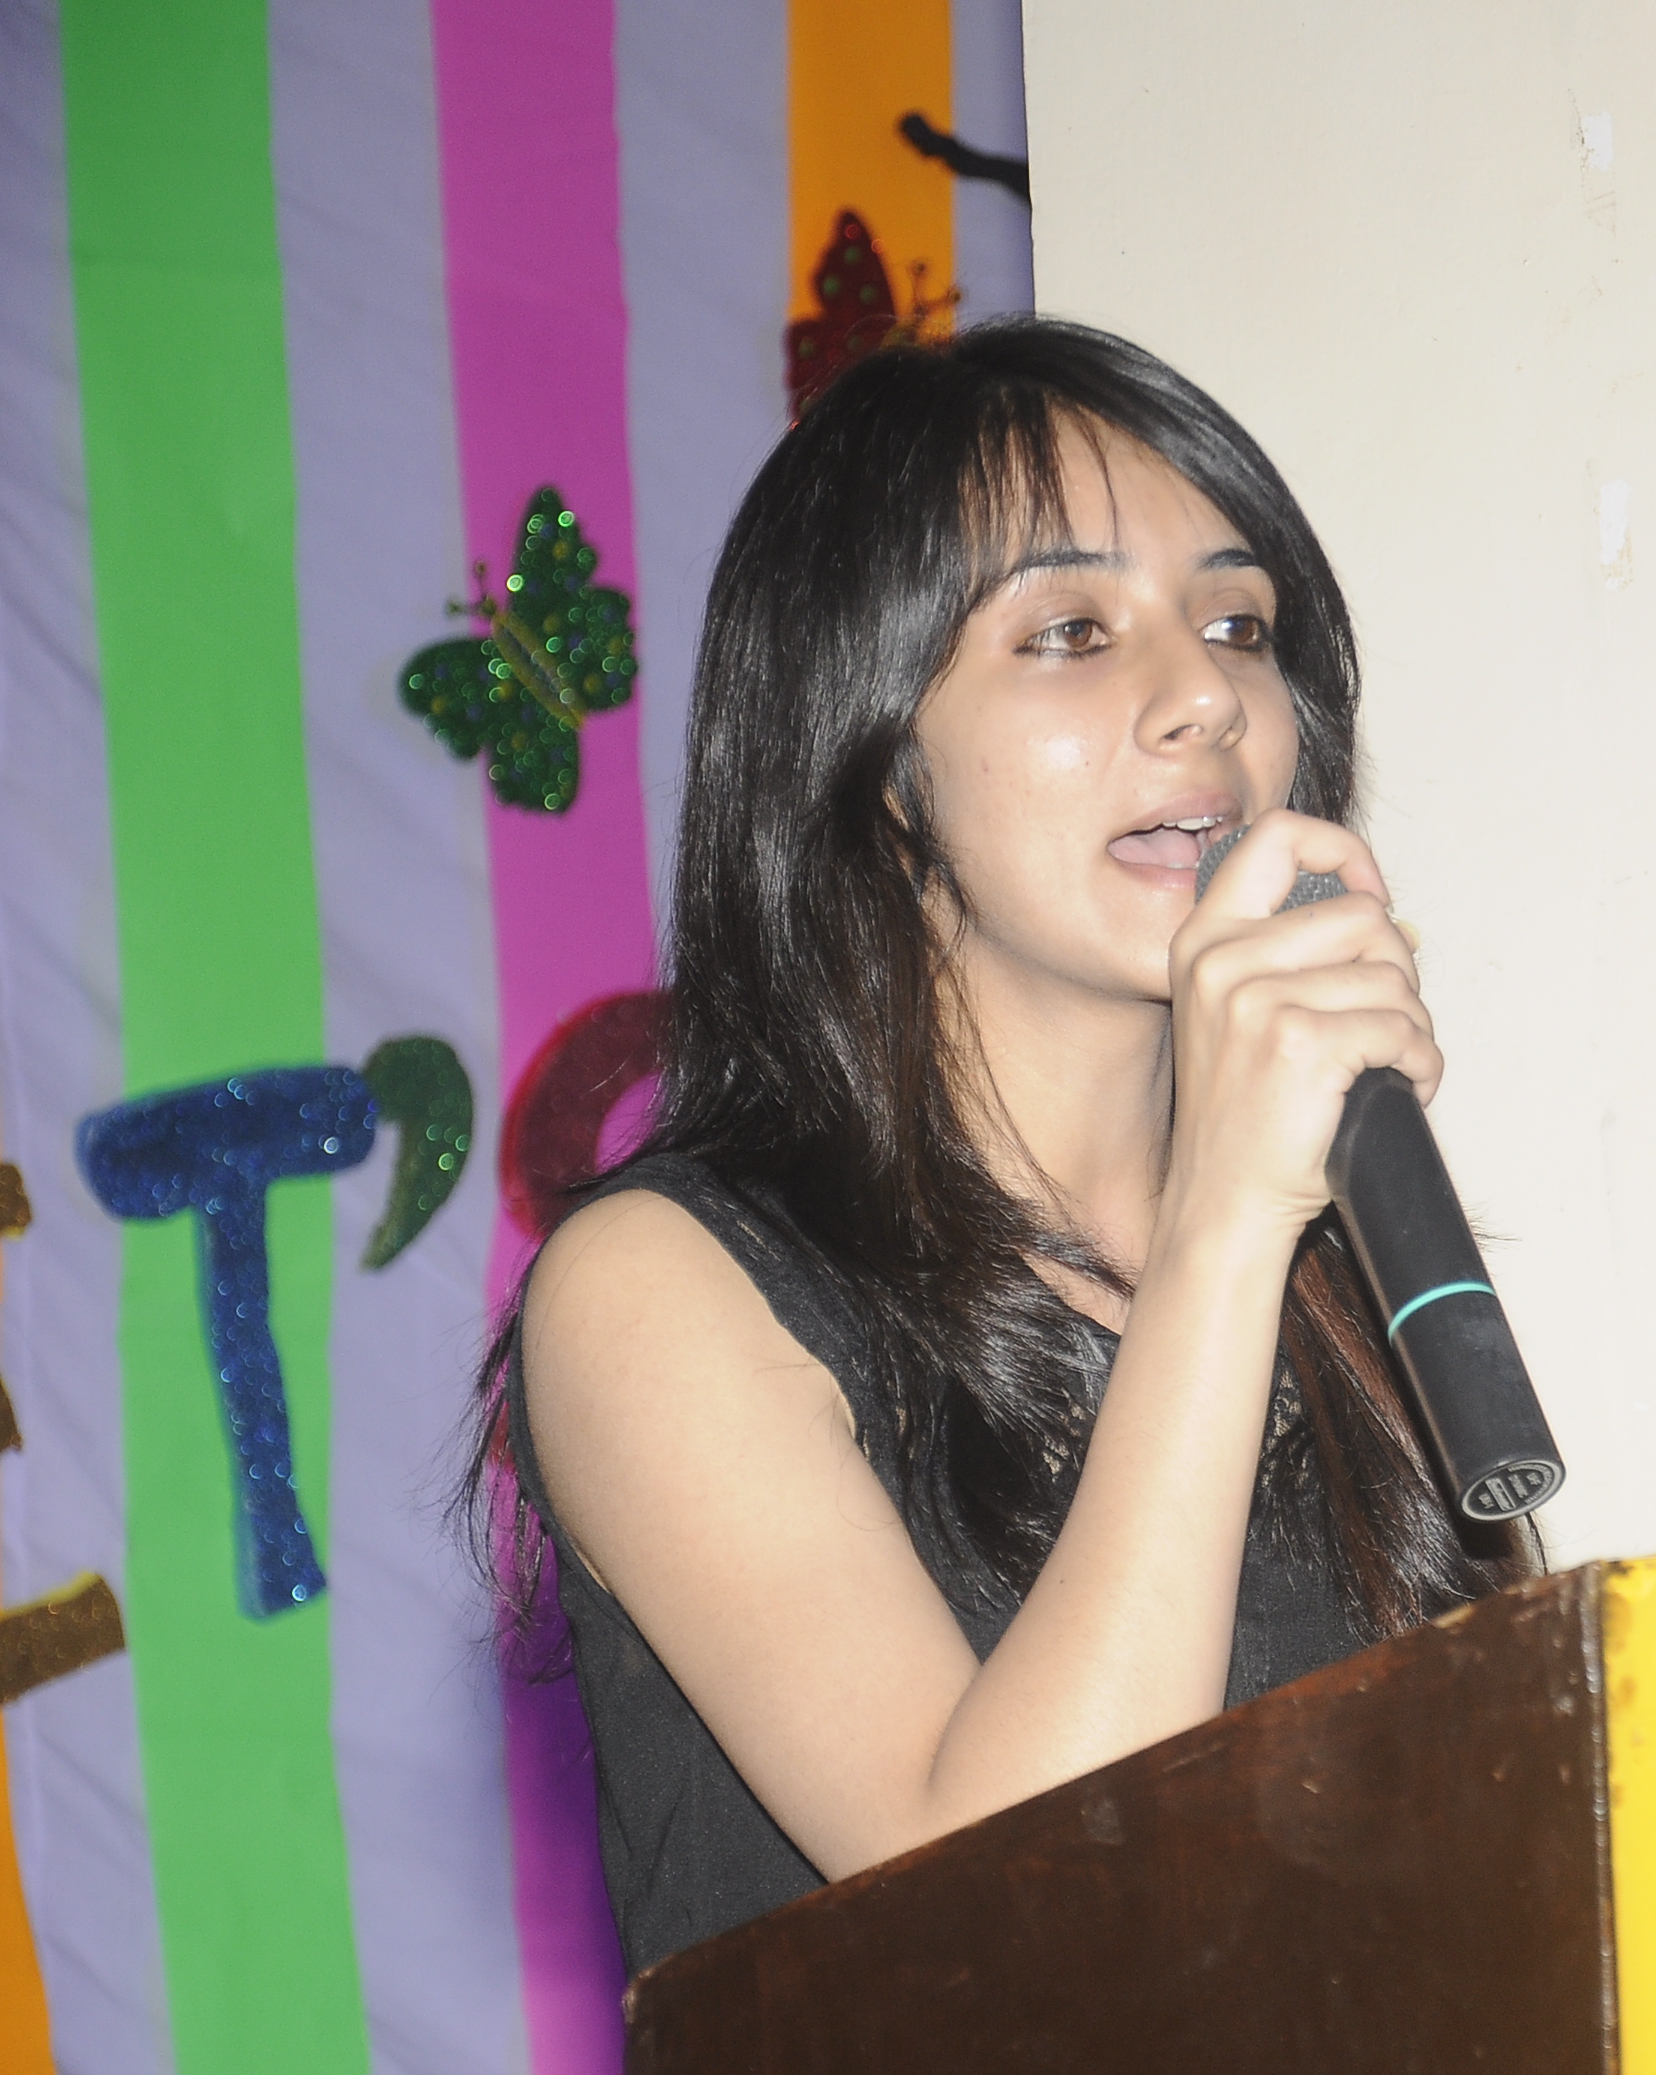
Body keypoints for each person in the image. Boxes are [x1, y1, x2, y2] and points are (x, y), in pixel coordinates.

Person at [477, 318, 1531, 1974]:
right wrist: (1224, 1228)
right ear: (879, 762)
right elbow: (1018, 1902)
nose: (1207, 696)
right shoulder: (660, 1291)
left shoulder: (1326, 1268)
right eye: (1071, 632)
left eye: (1239, 626)